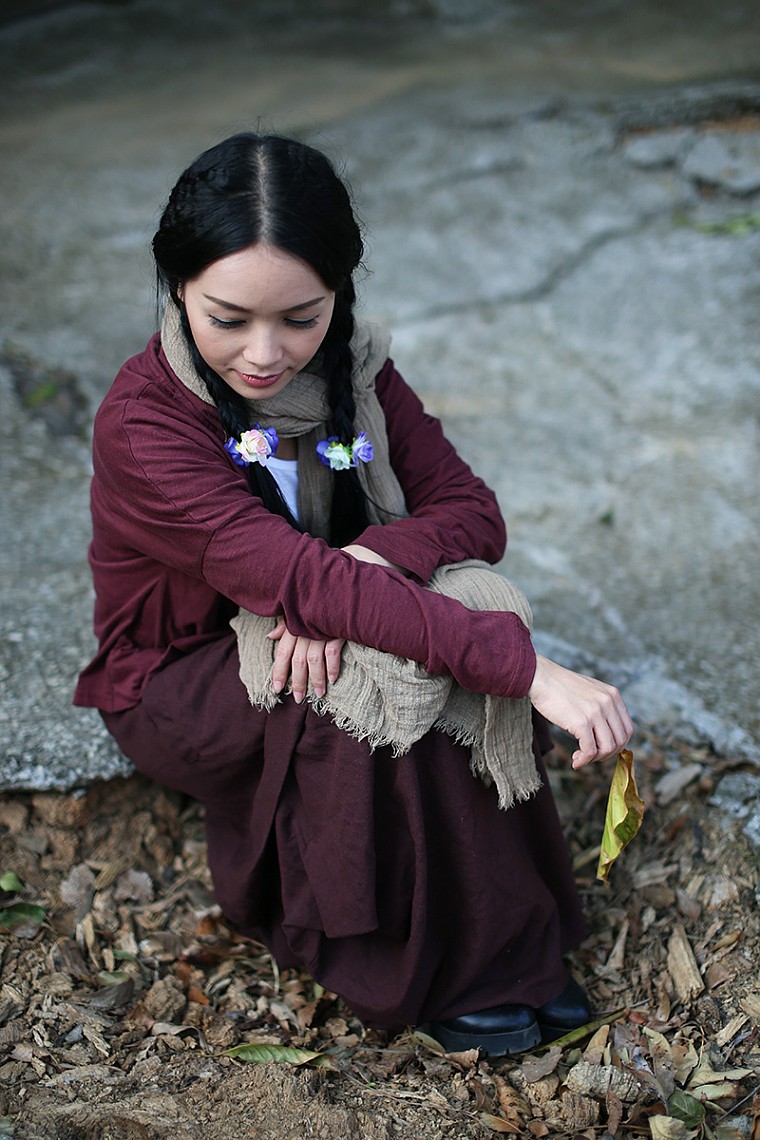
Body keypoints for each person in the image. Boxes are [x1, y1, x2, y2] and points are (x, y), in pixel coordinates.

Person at [74, 131, 633, 1057]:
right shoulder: (146, 425)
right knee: (377, 669)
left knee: (457, 607)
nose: (265, 354)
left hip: (322, 613)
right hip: (183, 680)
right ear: (177, 289)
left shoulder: (354, 369)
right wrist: (530, 672)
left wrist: (370, 561)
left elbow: (471, 512)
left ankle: (507, 940)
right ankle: (427, 967)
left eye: (301, 317)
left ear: (339, 293)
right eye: (227, 318)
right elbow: (297, 580)